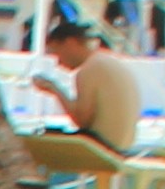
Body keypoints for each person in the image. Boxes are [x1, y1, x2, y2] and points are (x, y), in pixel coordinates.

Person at [32, 15, 141, 157]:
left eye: (57, 54)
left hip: (104, 146)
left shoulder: (90, 69)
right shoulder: (107, 60)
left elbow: (82, 121)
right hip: (124, 145)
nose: (58, 63)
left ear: (70, 43)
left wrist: (55, 90)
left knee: (36, 143)